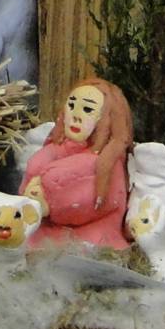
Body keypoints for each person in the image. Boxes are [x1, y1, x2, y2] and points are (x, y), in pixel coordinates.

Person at [20, 77, 133, 250]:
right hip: (45, 237)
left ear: (107, 118)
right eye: (71, 105)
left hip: (91, 241)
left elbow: (93, 201)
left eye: (87, 109)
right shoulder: (57, 149)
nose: (76, 116)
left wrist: (47, 198)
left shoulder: (108, 163)